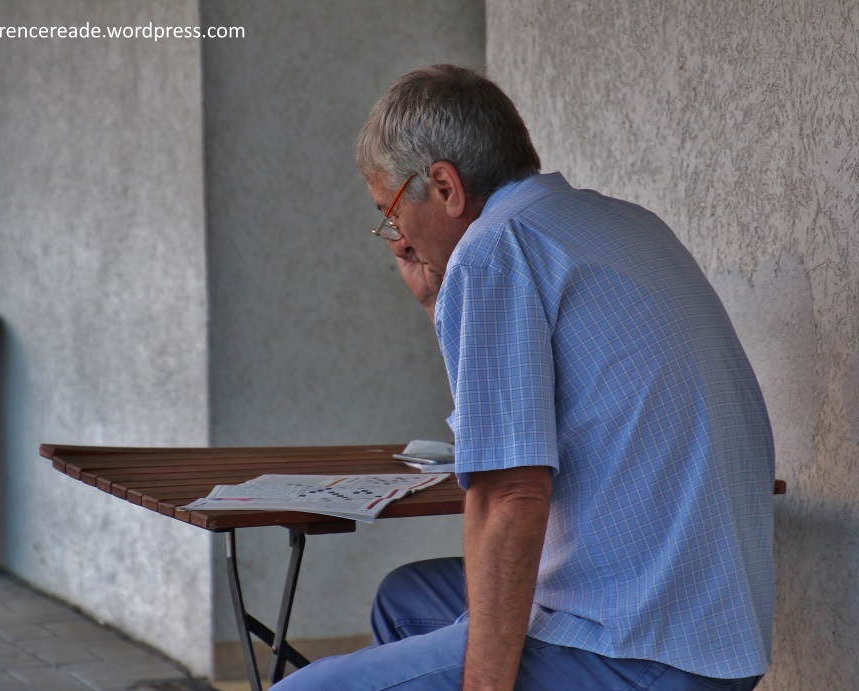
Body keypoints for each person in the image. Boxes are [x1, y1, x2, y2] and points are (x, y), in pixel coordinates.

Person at [272, 64, 775, 690]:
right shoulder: (620, 222)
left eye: (391, 212)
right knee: (406, 599)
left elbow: (511, 494)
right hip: (714, 632)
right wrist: (435, 301)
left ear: (445, 186)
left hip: (636, 650)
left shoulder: (493, 250)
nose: (396, 238)